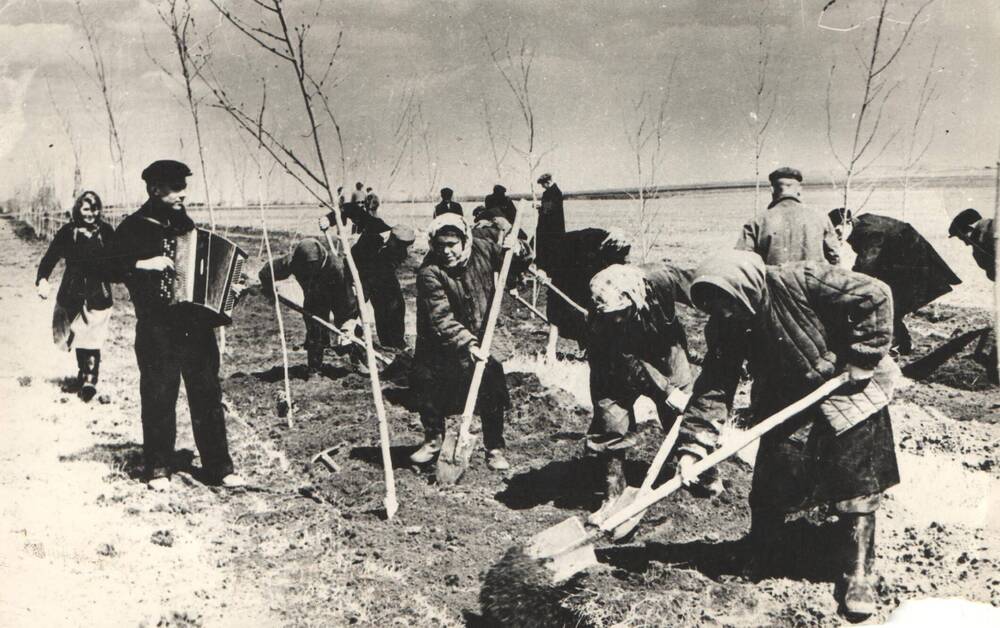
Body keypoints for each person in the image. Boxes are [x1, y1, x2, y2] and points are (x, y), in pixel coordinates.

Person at [675, 250, 899, 620]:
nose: (724, 314)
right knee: (772, 480)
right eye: (715, 308)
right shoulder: (725, 325)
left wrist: (863, 355)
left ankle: (858, 573)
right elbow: (715, 385)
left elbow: (876, 295)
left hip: (848, 387)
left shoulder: (801, 279)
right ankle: (763, 550)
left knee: (855, 483)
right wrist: (694, 446)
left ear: (745, 288)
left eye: (728, 304)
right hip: (785, 397)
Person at [107, 160, 243, 491]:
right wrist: (142, 264)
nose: (184, 194)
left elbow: (203, 271)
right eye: (177, 188)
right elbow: (107, 268)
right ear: (156, 190)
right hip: (157, 327)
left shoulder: (184, 224)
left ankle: (219, 467)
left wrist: (228, 290)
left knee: (207, 394)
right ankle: (157, 468)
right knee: (158, 395)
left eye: (185, 187)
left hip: (195, 327)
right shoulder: (132, 227)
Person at [408, 212, 531, 471]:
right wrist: (467, 343)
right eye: (440, 245)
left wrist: (518, 251)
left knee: (492, 382)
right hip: (438, 341)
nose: (446, 251)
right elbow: (440, 318)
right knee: (427, 383)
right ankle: (433, 440)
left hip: (480, 332)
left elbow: (514, 265)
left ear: (465, 241)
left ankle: (494, 447)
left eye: (452, 244)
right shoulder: (429, 272)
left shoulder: (483, 249)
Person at [584, 262, 698, 518]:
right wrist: (667, 392)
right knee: (610, 419)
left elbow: (700, 285)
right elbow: (630, 363)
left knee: (682, 413)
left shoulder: (660, 280)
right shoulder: (600, 322)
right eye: (609, 313)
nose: (615, 318)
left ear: (634, 297)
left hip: (665, 346)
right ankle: (613, 492)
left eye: (620, 312)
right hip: (615, 360)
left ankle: (700, 471)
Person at [830, 209, 961, 354]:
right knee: (891, 306)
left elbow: (867, 263)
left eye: (837, 231)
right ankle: (903, 345)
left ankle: (892, 347)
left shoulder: (869, 231)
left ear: (847, 223)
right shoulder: (863, 223)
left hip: (914, 268)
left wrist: (849, 287)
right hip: (905, 266)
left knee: (888, 306)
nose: (836, 236)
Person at [35, 191, 115, 402]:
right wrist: (42, 279)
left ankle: (90, 379)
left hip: (99, 292)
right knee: (77, 334)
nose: (91, 214)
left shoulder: (106, 232)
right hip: (72, 290)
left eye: (95, 209)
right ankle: (83, 372)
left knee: (93, 335)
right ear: (79, 209)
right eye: (87, 209)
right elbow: (50, 256)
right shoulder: (68, 232)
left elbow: (121, 259)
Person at [257, 237, 359, 374]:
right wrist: (270, 290)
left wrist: (348, 325)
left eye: (312, 266)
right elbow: (266, 273)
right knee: (315, 332)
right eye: (305, 267)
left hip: (337, 296)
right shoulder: (295, 262)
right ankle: (315, 368)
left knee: (347, 333)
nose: (308, 270)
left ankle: (358, 361)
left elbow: (347, 303)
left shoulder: (336, 268)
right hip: (314, 298)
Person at [322, 204, 414, 349]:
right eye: (399, 246)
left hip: (379, 275)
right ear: (392, 238)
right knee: (350, 305)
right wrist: (329, 219)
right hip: (354, 269)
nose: (403, 251)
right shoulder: (375, 225)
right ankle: (348, 338)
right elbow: (350, 209)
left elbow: (385, 273)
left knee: (395, 305)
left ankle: (393, 345)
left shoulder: (400, 252)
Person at [737, 167, 840, 265]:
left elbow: (742, 261)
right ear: (799, 189)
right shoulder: (820, 217)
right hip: (814, 282)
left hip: (773, 282)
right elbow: (835, 258)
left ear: (772, 189)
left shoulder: (757, 221)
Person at [949, 207, 995, 281]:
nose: (966, 244)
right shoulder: (986, 233)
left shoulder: (986, 236)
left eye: (961, 237)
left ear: (968, 230)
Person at [534, 173, 565, 271]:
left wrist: (540, 207)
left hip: (552, 226)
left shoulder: (554, 192)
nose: (542, 186)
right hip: (548, 225)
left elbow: (550, 209)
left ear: (548, 182)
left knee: (550, 245)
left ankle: (548, 265)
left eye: (543, 184)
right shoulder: (550, 192)